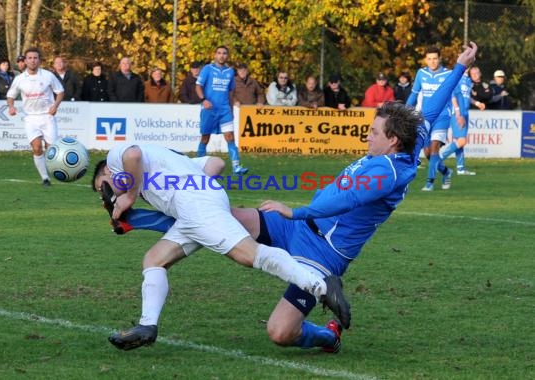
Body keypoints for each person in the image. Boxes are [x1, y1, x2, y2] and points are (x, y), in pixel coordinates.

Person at [98, 42, 479, 353]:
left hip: (323, 252)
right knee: (221, 214)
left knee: (280, 333)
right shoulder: (407, 140)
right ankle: (138, 231)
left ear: (393, 140)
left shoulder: (389, 172)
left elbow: (342, 201)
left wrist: (294, 210)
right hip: (296, 228)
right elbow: (433, 106)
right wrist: (460, 66)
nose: (368, 136)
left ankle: (328, 332)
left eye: (374, 132)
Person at [92, 144, 351, 351]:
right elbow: (216, 164)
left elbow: (132, 154)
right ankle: (147, 326)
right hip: (193, 209)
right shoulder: (165, 161)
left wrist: (128, 195)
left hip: (194, 207)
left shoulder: (117, 158)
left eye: (103, 188)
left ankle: (321, 286)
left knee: (248, 255)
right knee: (154, 260)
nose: (108, 195)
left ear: (108, 172)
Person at [6, 47, 64, 187]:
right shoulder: (20, 79)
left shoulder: (48, 75)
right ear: (25, 61)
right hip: (31, 118)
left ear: (39, 60)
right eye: (30, 58)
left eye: (35, 58)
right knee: (37, 147)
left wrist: (55, 106)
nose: (33, 60)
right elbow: (10, 95)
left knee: (51, 149)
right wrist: (11, 106)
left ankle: (56, 170)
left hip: (47, 116)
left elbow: (60, 91)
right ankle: (45, 178)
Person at [196, 45, 249, 175]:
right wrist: (203, 100)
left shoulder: (230, 72)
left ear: (227, 56)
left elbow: (230, 92)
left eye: (224, 53)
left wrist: (231, 109)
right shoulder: (208, 69)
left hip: (224, 110)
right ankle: (197, 166)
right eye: (219, 53)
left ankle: (236, 167)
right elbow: (198, 86)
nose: (222, 55)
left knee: (230, 137)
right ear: (215, 55)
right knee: (205, 138)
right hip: (209, 110)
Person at [406, 45, 453, 192]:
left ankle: (429, 183)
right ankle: (446, 172)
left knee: (434, 149)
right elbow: (414, 94)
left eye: (435, 59)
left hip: (442, 116)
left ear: (439, 59)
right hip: (425, 117)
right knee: (427, 153)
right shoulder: (421, 73)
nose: (432, 62)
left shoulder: (448, 74)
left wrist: (456, 111)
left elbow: (455, 93)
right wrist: (404, 110)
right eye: (429, 59)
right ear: (425, 60)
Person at [439, 67, 476, 176]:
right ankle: (438, 159)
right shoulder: (456, 78)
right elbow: (453, 97)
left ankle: (460, 168)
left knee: (460, 142)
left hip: (465, 112)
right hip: (458, 113)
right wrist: (458, 112)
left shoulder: (468, 80)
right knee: (462, 141)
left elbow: (466, 96)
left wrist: (477, 103)